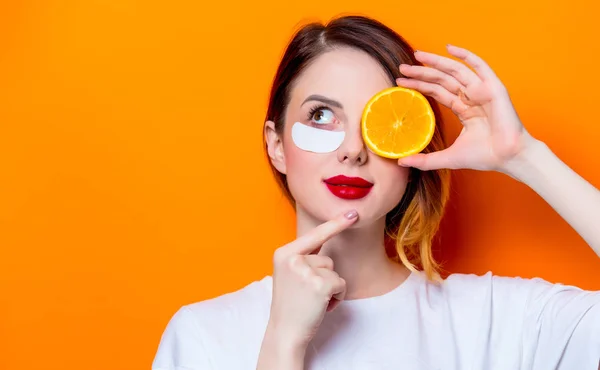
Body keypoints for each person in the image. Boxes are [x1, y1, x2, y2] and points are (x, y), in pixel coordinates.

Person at [151, 15, 600, 370]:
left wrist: (522, 155)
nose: (353, 150)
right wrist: (282, 344)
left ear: (412, 148)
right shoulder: (203, 335)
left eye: (379, 120)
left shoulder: (499, 322)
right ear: (276, 146)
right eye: (322, 115)